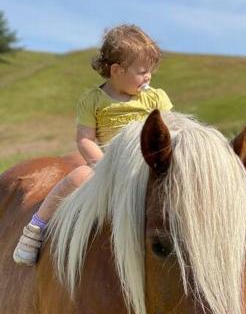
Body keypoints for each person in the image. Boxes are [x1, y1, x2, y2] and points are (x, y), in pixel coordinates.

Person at [13, 24, 173, 266]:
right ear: (117, 70)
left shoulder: (155, 97)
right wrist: (100, 164)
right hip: (108, 163)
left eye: (150, 70)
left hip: (149, 163)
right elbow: (84, 138)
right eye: (142, 71)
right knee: (77, 177)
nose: (148, 76)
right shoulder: (93, 101)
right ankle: (35, 229)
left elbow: (172, 129)